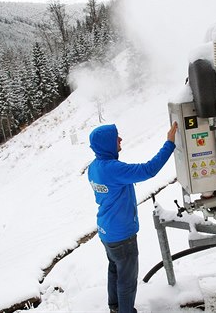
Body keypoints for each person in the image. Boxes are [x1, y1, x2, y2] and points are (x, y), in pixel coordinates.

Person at [88, 122, 178, 313]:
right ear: (106, 144)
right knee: (127, 281)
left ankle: (115, 307)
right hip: (122, 235)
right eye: (116, 138)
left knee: (114, 270)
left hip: (107, 230)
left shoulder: (95, 167)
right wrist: (169, 143)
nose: (120, 139)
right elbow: (148, 170)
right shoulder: (112, 169)